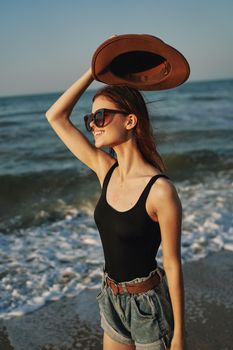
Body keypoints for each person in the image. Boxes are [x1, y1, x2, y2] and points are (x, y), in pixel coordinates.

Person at [45, 65, 185, 350]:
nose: (94, 124)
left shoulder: (160, 191)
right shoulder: (105, 170)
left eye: (101, 116)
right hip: (110, 297)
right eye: (90, 119)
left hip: (148, 307)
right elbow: (55, 117)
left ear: (131, 120)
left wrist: (180, 334)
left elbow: (172, 263)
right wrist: (92, 72)